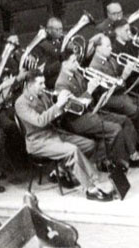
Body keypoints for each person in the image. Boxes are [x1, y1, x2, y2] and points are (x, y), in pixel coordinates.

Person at [14, 71, 114, 201]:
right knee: (72, 150)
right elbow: (40, 121)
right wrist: (58, 104)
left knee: (89, 145)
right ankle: (91, 188)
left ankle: (60, 171)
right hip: (38, 141)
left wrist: (68, 102)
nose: (44, 86)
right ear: (28, 85)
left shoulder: (42, 95)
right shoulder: (20, 103)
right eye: (40, 83)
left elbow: (55, 114)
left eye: (44, 82)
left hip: (53, 134)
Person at [54, 50, 139, 171]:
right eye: (73, 61)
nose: (77, 63)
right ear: (64, 64)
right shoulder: (61, 84)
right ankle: (116, 163)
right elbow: (74, 108)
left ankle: (132, 155)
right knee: (115, 129)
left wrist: (98, 83)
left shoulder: (77, 74)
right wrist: (89, 91)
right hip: (77, 120)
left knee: (125, 120)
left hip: (91, 111)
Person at [88, 34, 139, 151]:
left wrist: (131, 68)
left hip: (121, 94)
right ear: (98, 48)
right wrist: (124, 76)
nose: (111, 49)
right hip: (110, 99)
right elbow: (107, 90)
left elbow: (118, 74)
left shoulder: (111, 58)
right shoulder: (94, 66)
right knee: (136, 111)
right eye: (107, 46)